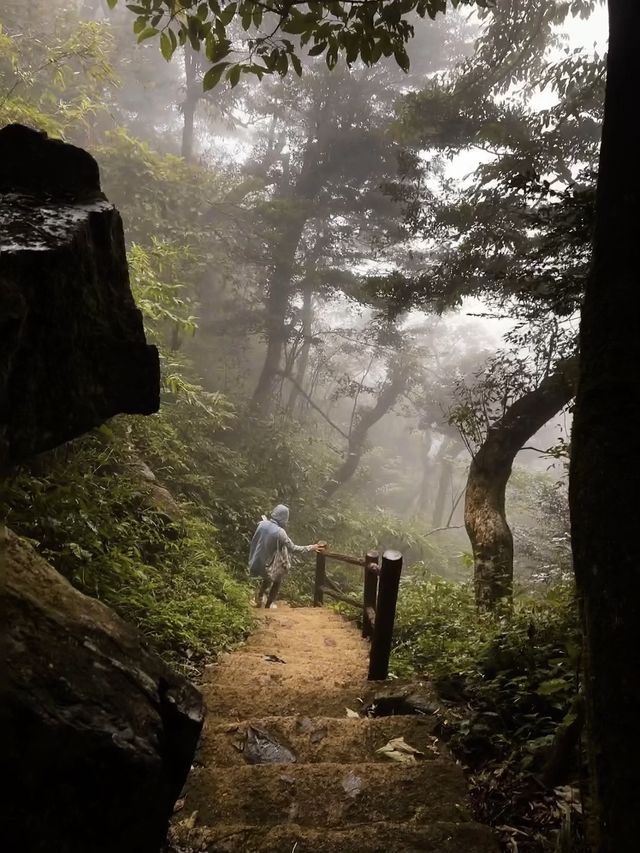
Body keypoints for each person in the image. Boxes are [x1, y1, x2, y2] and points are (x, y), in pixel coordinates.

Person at [248, 504, 322, 608]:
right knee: (278, 578)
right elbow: (293, 548)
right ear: (284, 518)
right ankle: (268, 605)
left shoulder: (261, 524)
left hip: (256, 561)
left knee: (268, 577)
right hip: (268, 564)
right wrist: (312, 547)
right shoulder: (280, 532)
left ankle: (260, 598)